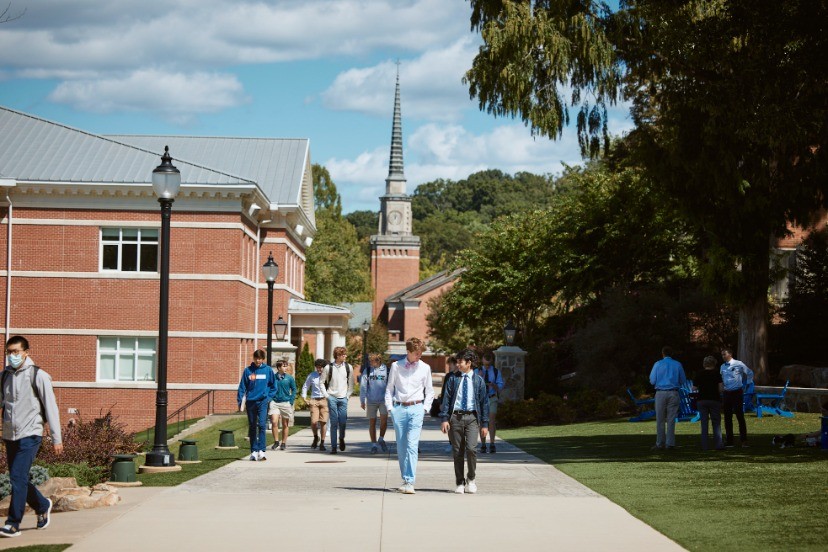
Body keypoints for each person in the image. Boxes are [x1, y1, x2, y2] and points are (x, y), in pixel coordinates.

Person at [1, 336, 63, 538]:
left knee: (18, 477)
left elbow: (51, 408)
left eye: (16, 352)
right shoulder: (4, 376)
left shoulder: (39, 376)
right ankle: (43, 505)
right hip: (11, 435)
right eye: (9, 352)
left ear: (26, 352)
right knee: (17, 478)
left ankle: (13, 524)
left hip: (31, 433)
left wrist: (56, 438)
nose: (12, 356)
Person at [384, 337, 434, 494]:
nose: (419, 356)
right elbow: (389, 389)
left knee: (412, 445)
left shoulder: (425, 368)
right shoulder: (396, 366)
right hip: (398, 409)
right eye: (417, 353)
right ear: (408, 352)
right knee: (401, 446)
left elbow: (430, 390)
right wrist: (390, 408)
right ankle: (405, 479)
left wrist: (425, 408)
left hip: (416, 408)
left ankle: (409, 480)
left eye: (420, 353)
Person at [440, 348, 489, 494]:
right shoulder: (453, 379)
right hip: (455, 418)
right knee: (457, 452)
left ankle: (471, 479)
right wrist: (444, 419)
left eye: (460, 362)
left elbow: (484, 403)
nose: (458, 364)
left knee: (472, 449)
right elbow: (446, 400)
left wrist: (485, 424)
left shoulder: (478, 380)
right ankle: (460, 482)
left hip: (472, 418)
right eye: (457, 362)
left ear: (469, 363)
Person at [237, 349, 276, 461]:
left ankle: (262, 451)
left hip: (263, 401)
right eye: (256, 358)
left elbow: (274, 386)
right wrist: (240, 402)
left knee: (262, 425)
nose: (258, 360)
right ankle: (254, 451)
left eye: (260, 358)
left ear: (263, 359)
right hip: (250, 402)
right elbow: (242, 387)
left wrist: (268, 398)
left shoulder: (268, 370)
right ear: (253, 358)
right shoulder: (248, 371)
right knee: (252, 426)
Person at [649, 346, 687, 450]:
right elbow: (683, 380)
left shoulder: (657, 364)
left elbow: (652, 381)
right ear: (672, 354)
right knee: (671, 419)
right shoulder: (678, 364)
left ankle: (660, 443)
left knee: (660, 419)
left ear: (663, 353)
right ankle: (670, 443)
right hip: (673, 392)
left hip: (660, 392)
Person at [321, 347, 354, 454]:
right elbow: (321, 382)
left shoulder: (349, 367)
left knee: (343, 422)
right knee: (334, 423)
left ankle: (341, 438)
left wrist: (348, 395)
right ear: (338, 356)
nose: (345, 356)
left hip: (343, 398)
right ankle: (334, 447)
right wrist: (327, 396)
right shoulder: (328, 368)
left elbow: (351, 383)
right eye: (343, 354)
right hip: (332, 397)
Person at [720, 348, 754, 448]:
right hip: (726, 393)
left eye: (724, 354)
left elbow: (749, 372)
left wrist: (747, 384)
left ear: (730, 354)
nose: (723, 356)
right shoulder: (722, 366)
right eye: (722, 355)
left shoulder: (739, 363)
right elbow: (722, 379)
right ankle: (730, 441)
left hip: (737, 393)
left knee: (740, 416)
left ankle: (744, 441)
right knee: (727, 418)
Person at [359, 353, 389, 454]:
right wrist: (362, 400)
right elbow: (363, 386)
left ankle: (381, 438)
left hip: (384, 400)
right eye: (370, 361)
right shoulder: (367, 371)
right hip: (371, 401)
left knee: (384, 421)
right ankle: (374, 445)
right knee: (372, 422)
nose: (370, 363)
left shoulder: (386, 370)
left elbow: (391, 385)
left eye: (372, 361)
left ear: (378, 360)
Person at [475, 352, 504, 453]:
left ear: (492, 361)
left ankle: (492, 444)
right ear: (482, 360)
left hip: (492, 398)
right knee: (482, 422)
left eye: (489, 364)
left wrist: (494, 385)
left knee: (491, 420)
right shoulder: (476, 371)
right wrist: (479, 378)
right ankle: (483, 444)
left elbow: (500, 386)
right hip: (481, 399)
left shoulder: (496, 372)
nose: (487, 366)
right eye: (485, 364)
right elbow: (472, 386)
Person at [693, 356, 724, 451]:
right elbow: (720, 389)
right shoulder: (717, 374)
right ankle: (718, 444)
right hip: (714, 399)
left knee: (704, 423)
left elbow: (693, 388)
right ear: (714, 364)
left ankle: (705, 446)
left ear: (704, 364)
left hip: (702, 400)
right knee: (716, 423)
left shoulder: (699, 374)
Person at [302, 359, 330, 451]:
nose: (319, 369)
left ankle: (322, 442)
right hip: (314, 400)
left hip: (325, 400)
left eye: (320, 368)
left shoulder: (328, 375)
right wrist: (304, 397)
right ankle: (315, 437)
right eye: (317, 368)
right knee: (314, 422)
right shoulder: (312, 375)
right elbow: (306, 386)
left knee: (323, 422)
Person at [268, 361, 296, 451]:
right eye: (284, 366)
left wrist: (291, 401)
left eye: (286, 366)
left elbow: (294, 389)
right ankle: (276, 441)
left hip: (285, 403)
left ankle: (283, 443)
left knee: (285, 424)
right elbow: (268, 388)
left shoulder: (290, 378)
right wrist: (270, 399)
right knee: (274, 422)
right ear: (279, 368)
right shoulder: (273, 378)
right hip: (274, 402)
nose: (286, 368)